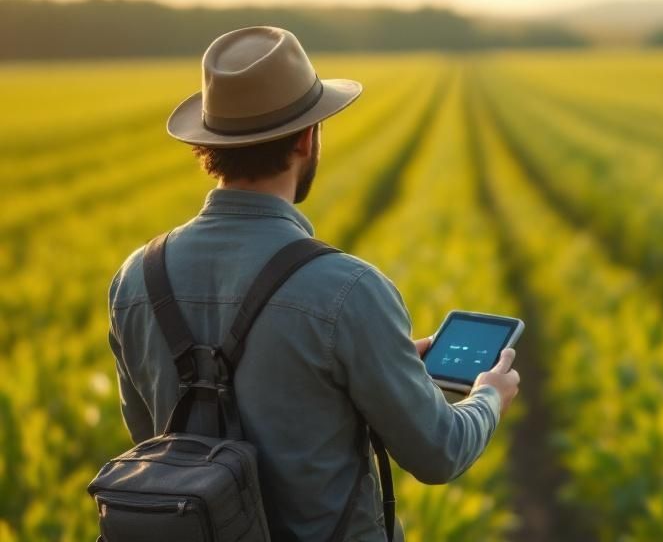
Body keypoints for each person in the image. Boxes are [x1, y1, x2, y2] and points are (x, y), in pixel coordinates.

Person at [105, 26, 521, 541]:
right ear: (307, 138)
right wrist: (488, 397)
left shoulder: (134, 280)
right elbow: (440, 453)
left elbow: (155, 443)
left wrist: (379, 373)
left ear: (208, 145)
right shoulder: (348, 290)